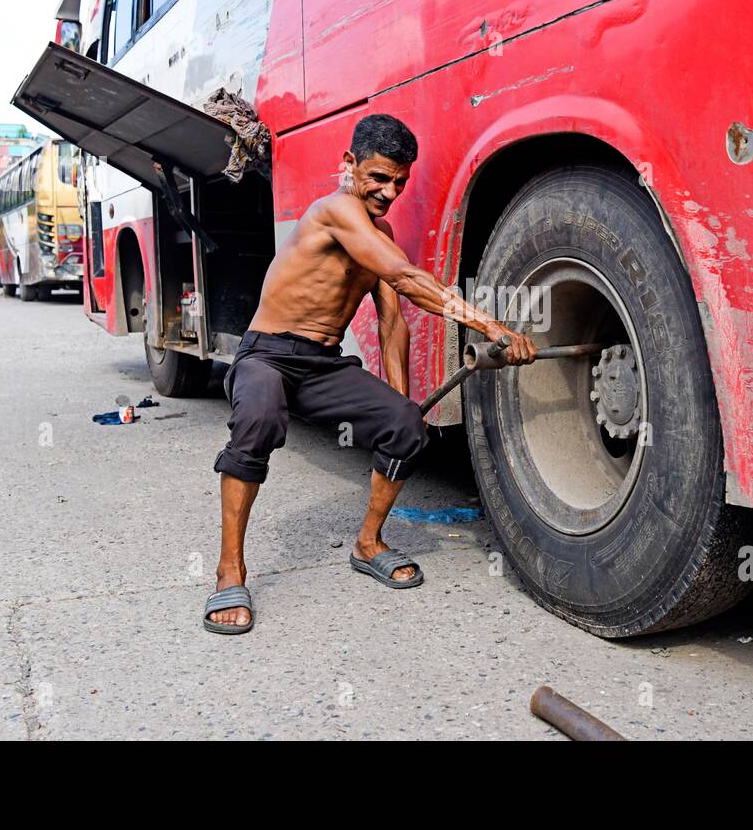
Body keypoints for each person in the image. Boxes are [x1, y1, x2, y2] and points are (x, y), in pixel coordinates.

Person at [203, 114, 537, 634]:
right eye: (379, 177)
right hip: (266, 355)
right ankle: (229, 570)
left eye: (399, 183)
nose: (389, 191)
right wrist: (491, 326)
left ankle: (368, 543)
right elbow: (406, 280)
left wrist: (401, 406)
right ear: (349, 164)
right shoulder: (334, 211)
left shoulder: (377, 234)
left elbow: (392, 323)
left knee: (406, 426)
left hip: (321, 365)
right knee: (260, 421)